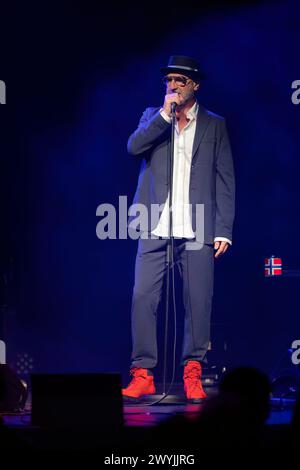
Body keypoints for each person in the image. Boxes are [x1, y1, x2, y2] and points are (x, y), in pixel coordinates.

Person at [123, 55, 235, 403]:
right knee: (143, 297)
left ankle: (193, 371)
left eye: (180, 81)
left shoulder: (214, 124)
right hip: (155, 224)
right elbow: (133, 147)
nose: (172, 86)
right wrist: (163, 115)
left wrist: (223, 228)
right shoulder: (152, 116)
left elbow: (225, 178)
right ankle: (143, 373)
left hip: (198, 225)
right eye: (169, 80)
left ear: (195, 85)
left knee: (197, 301)